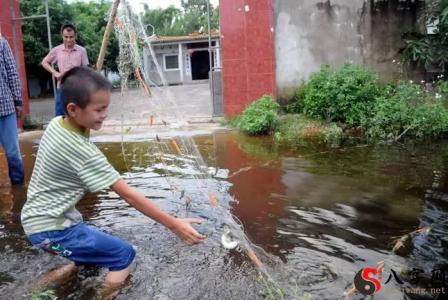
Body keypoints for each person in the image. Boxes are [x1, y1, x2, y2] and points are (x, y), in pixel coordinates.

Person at [21, 67, 205, 294]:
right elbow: (128, 194)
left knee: (89, 258)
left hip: (36, 222)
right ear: (73, 109)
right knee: (122, 254)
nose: (104, 114)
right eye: (99, 109)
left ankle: (31, 292)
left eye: (106, 107)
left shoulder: (57, 124)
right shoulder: (82, 151)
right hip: (53, 230)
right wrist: (174, 224)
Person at [41, 23, 88, 116]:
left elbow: (85, 69)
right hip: (62, 88)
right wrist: (55, 73)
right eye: (66, 37)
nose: (69, 40)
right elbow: (44, 62)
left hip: (77, 89)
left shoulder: (82, 51)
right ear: (62, 36)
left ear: (75, 36)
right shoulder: (57, 50)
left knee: (77, 116)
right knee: (59, 116)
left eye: (71, 37)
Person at [0, 36, 24, 185]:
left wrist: (18, 101)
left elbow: (13, 73)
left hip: (5, 108)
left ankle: (18, 189)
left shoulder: (2, 43)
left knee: (13, 154)